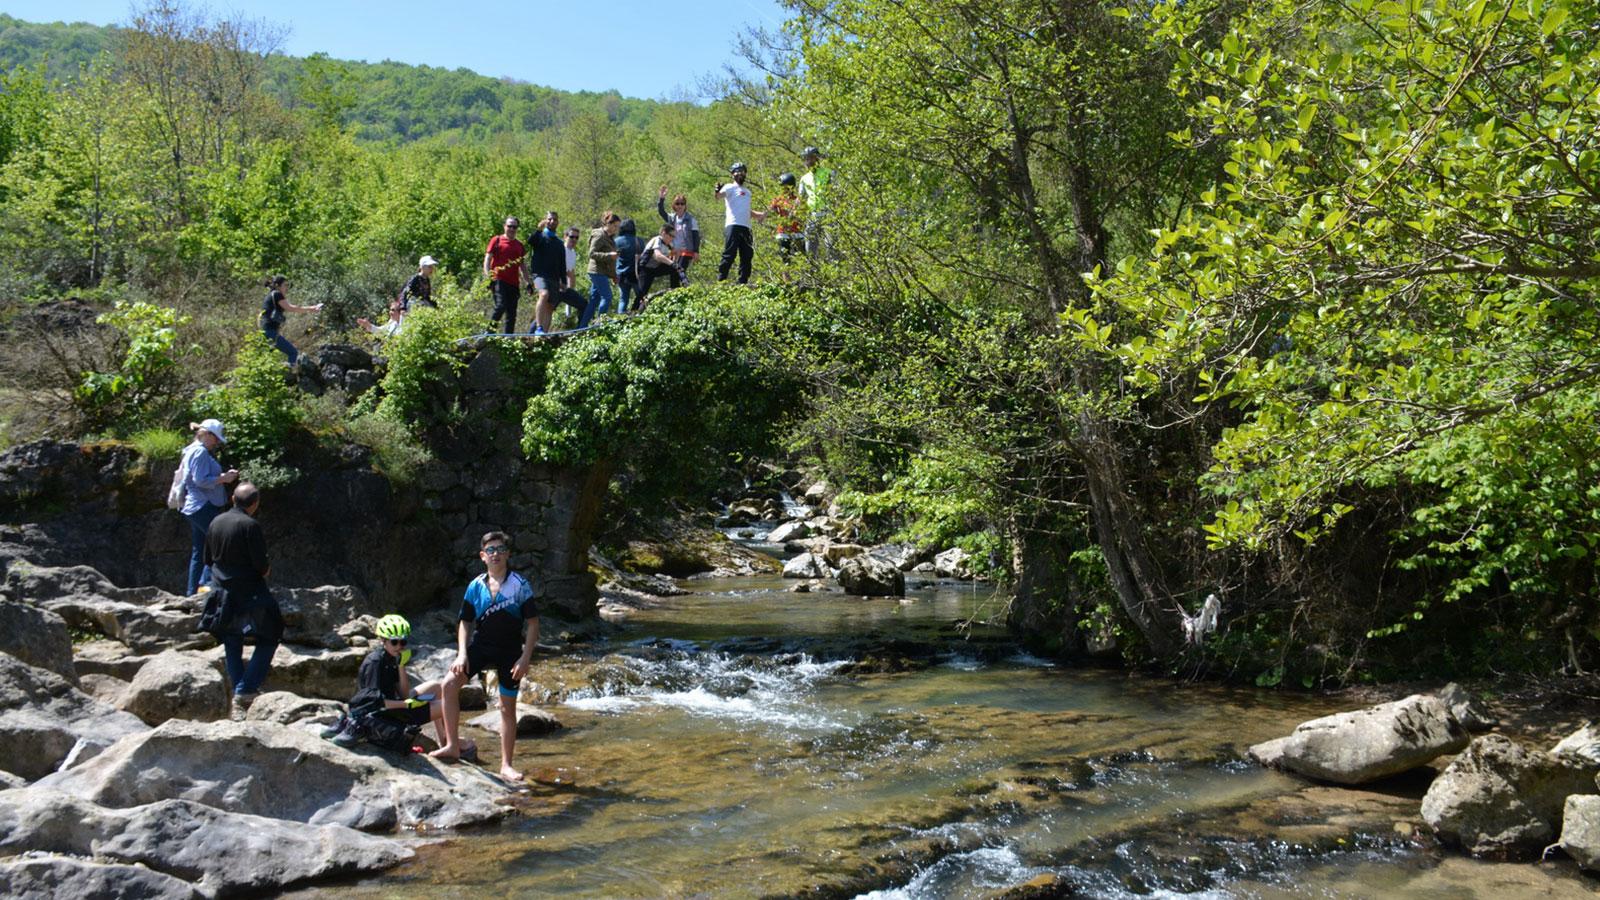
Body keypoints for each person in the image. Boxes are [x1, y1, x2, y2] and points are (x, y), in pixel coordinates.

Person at [431, 531, 540, 782]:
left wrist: (525, 658)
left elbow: (533, 624)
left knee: (506, 707)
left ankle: (506, 765)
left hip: (510, 653)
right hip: (481, 647)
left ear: (508, 554)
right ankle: (451, 745)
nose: (496, 554)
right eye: (490, 550)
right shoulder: (475, 586)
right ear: (482, 556)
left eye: (500, 549)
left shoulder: (520, 585)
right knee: (448, 685)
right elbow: (465, 622)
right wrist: (462, 654)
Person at [321, 614, 460, 754]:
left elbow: (404, 693)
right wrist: (406, 705)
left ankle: (445, 742)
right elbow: (373, 702)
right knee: (447, 706)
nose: (399, 646)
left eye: (403, 642)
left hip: (394, 704)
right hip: (385, 714)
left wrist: (401, 666)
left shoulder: (392, 657)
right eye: (394, 642)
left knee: (436, 687)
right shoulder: (375, 662)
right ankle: (452, 747)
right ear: (383, 640)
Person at [199, 482, 283, 707]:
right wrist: (265, 571)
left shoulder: (215, 521)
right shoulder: (250, 525)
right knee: (270, 636)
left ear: (232, 499)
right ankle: (246, 688)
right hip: (249, 592)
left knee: (231, 640)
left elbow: (207, 559)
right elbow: (261, 565)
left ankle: (240, 693)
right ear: (254, 504)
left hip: (220, 592)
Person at [178, 419, 239, 596]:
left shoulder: (192, 450)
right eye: (216, 438)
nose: (218, 442)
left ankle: (192, 593)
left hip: (195, 507)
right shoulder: (200, 452)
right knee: (218, 544)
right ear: (208, 435)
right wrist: (224, 478)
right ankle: (205, 586)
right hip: (203, 506)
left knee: (199, 550)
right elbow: (201, 480)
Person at [715, 162, 765, 284]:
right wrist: (717, 190)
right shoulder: (729, 187)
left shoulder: (748, 192)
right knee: (730, 253)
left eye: (742, 171)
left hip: (746, 226)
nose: (740, 173)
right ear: (732, 174)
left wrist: (759, 215)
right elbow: (718, 196)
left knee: (747, 255)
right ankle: (721, 280)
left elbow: (746, 210)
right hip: (733, 225)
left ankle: (743, 281)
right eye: (736, 171)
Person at [259, 275, 323, 366]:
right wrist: (311, 308)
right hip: (270, 332)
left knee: (268, 359)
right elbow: (291, 308)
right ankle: (289, 377)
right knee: (293, 352)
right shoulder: (277, 294)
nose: (287, 288)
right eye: (285, 285)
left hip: (265, 331)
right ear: (278, 286)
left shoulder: (270, 295)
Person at [483, 218, 529, 335]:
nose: (512, 229)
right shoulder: (496, 240)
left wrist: (528, 282)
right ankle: (489, 333)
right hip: (498, 279)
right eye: (510, 226)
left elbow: (522, 265)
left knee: (511, 313)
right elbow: (487, 259)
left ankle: (508, 338)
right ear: (504, 226)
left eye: (515, 227)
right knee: (500, 306)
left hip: (514, 283)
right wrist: (488, 277)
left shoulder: (519, 245)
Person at [579, 213, 622, 328]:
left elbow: (611, 261)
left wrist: (613, 276)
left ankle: (581, 327)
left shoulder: (609, 238)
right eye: (615, 226)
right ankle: (599, 324)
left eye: (618, 227)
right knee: (607, 296)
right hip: (596, 271)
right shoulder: (599, 235)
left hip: (603, 272)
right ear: (608, 224)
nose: (616, 229)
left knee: (594, 300)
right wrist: (609, 255)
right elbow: (592, 254)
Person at [529, 212, 567, 334]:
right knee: (544, 294)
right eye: (549, 219)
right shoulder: (540, 236)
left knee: (550, 307)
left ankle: (544, 334)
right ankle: (539, 328)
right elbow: (531, 241)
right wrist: (538, 229)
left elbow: (562, 263)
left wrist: (564, 281)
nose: (552, 221)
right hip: (539, 275)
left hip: (554, 278)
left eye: (555, 219)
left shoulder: (559, 243)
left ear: (558, 222)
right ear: (545, 220)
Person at [657, 187, 701, 280]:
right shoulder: (672, 218)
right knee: (673, 273)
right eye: (677, 204)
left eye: (682, 204)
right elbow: (661, 212)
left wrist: (696, 251)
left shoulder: (691, 219)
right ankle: (676, 291)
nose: (680, 206)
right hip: (675, 251)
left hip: (686, 250)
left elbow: (696, 236)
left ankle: (686, 286)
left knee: (679, 269)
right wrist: (661, 198)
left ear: (685, 205)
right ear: (674, 205)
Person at [799, 146, 834, 258]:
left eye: (810, 158)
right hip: (812, 216)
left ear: (817, 158)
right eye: (806, 158)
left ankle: (835, 272)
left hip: (828, 214)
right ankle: (812, 273)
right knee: (810, 248)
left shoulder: (829, 173)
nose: (808, 161)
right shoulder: (804, 179)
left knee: (831, 246)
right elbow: (800, 199)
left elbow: (837, 193)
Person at [636, 223, 681, 309]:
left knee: (675, 269)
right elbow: (658, 255)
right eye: (671, 235)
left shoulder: (668, 244)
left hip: (656, 268)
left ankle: (676, 289)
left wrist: (675, 261)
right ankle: (634, 311)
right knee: (642, 293)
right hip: (645, 269)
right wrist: (672, 263)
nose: (672, 238)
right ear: (664, 233)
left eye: (674, 236)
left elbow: (676, 252)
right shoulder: (657, 240)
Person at [770, 173, 803, 261]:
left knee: (801, 259)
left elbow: (803, 216)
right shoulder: (777, 200)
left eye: (785, 187)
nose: (783, 189)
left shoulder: (798, 200)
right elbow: (772, 212)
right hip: (783, 232)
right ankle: (785, 275)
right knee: (785, 260)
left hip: (797, 232)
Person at [614, 218, 642, 314]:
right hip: (636, 275)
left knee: (623, 299)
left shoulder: (616, 241)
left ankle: (620, 321)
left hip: (621, 275)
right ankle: (639, 317)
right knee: (641, 297)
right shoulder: (639, 241)